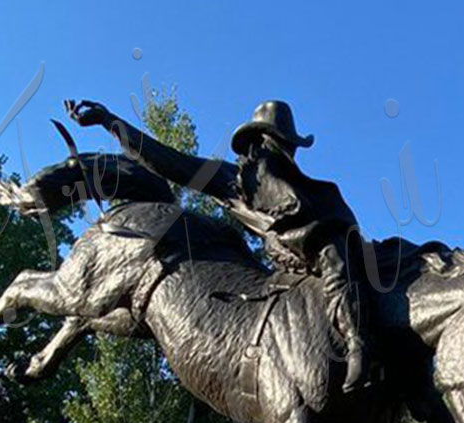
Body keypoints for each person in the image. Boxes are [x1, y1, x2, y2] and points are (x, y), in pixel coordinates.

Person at [65, 98, 371, 392]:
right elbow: (168, 160)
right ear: (261, 140)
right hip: (293, 270)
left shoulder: (313, 191)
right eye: (280, 141)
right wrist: (109, 121)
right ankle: (355, 343)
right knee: (334, 261)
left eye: (289, 144)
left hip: (319, 263)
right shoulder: (233, 181)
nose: (286, 149)